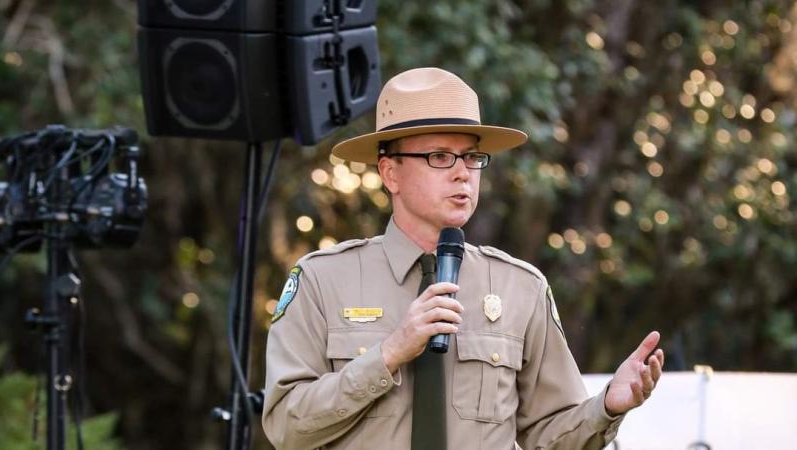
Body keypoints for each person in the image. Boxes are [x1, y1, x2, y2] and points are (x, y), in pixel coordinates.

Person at [262, 67, 664, 450]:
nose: (463, 174)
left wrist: (607, 406)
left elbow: (548, 436)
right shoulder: (323, 280)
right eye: (439, 156)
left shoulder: (519, 287)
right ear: (390, 173)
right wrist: (388, 355)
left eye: (472, 157)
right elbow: (285, 428)